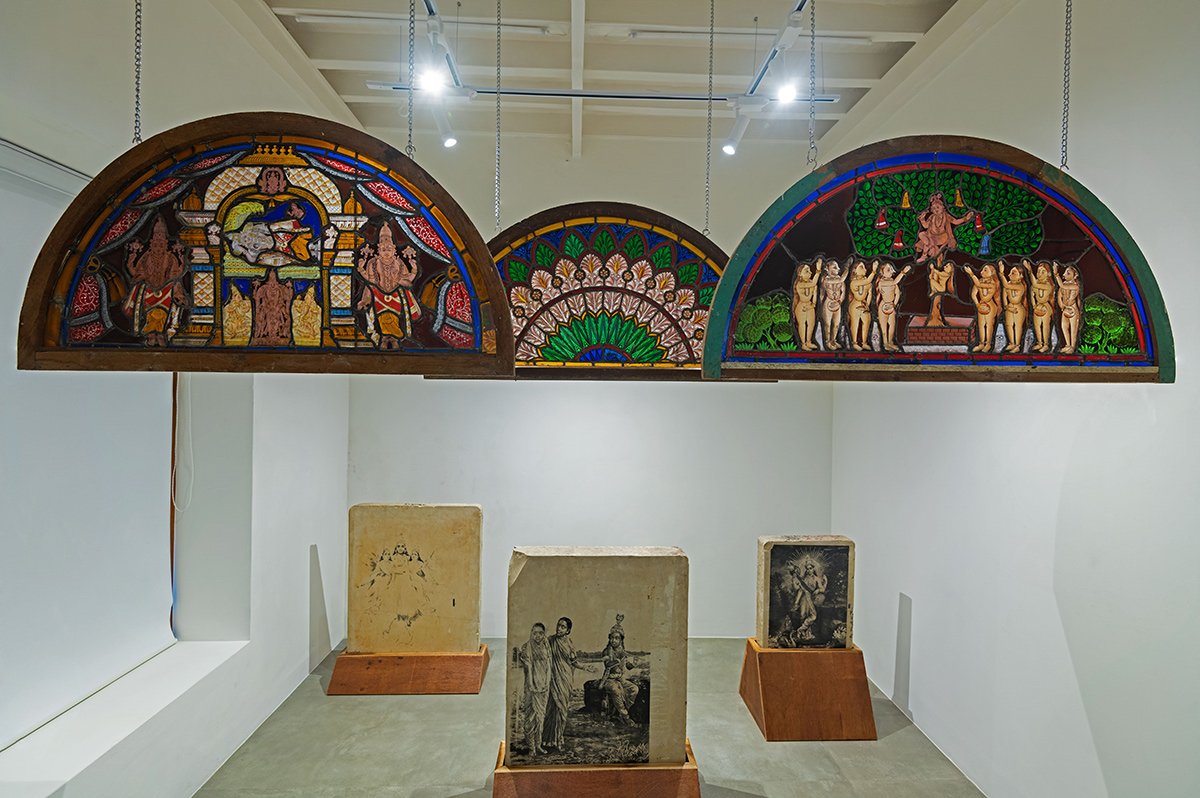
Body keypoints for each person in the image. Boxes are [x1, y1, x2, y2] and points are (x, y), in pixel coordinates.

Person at [356, 224, 422, 349]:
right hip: (379, 296)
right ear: (378, 250)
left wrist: (414, 269)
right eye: (383, 249)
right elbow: (371, 281)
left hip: (395, 295)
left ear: (394, 250)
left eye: (389, 249)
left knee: (394, 317)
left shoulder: (399, 263)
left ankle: (395, 338)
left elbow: (408, 281)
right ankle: (385, 338)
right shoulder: (373, 263)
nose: (386, 252)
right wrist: (361, 269)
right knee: (382, 317)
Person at [542, 617, 596, 752]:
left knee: (561, 709)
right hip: (552, 678)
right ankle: (547, 740)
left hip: (565, 678)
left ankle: (558, 739)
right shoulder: (550, 640)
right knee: (550, 708)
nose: (559, 628)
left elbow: (573, 662)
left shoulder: (569, 643)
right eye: (558, 625)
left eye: (563, 627)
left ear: (568, 630)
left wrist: (585, 667)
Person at [514, 622, 551, 755]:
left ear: (544, 634)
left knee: (540, 717)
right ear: (531, 633)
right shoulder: (527, 647)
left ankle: (538, 745)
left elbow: (549, 667)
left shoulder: (546, 646)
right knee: (530, 717)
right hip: (531, 687)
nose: (538, 636)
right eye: (535, 633)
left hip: (544, 687)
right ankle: (531, 747)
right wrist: (531, 686)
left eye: (540, 633)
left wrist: (547, 683)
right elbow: (529, 668)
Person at [596, 615, 640, 725]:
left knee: (634, 689)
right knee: (616, 690)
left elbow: (628, 666)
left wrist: (634, 664)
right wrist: (616, 661)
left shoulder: (622, 652)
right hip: (609, 679)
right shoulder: (607, 651)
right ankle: (626, 717)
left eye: (616, 638)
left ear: (621, 640)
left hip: (620, 679)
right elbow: (608, 665)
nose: (613, 640)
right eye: (612, 638)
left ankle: (620, 711)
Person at [914, 192, 974, 263]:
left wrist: (965, 218)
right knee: (921, 234)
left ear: (943, 208)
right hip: (931, 236)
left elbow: (955, 222)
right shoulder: (932, 217)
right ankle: (925, 254)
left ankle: (928, 250)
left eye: (938, 207)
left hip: (941, 238)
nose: (936, 210)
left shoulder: (946, 216)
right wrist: (922, 220)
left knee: (928, 242)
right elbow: (925, 226)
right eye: (934, 208)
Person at [963, 263, 1001, 353]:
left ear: (992, 273)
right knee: (981, 325)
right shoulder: (980, 281)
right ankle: (981, 343)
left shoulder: (993, 283)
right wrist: (977, 305)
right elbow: (973, 294)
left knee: (989, 325)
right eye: (983, 269)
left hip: (990, 306)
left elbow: (979, 285)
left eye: (985, 270)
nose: (982, 272)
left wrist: (972, 274)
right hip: (981, 306)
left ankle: (988, 344)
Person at [874, 260, 911, 352]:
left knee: (892, 325)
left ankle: (890, 342)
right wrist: (903, 272)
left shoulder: (892, 282)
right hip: (883, 306)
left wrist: (894, 304)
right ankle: (885, 343)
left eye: (891, 269)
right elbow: (894, 283)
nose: (891, 271)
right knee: (884, 326)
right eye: (888, 270)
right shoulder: (882, 282)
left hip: (891, 306)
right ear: (882, 273)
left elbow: (897, 293)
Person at [998, 259, 1029, 353]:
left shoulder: (1020, 286)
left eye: (1013, 273)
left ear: (1020, 276)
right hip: (1009, 308)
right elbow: (1004, 296)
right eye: (1010, 273)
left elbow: (1007, 286)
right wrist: (1007, 306)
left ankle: (1017, 344)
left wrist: (1001, 274)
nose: (1009, 275)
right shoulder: (1008, 284)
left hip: (1018, 308)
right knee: (1009, 325)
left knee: (1017, 326)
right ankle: (1011, 342)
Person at [791, 258, 822, 351]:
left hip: (810, 306)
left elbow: (814, 294)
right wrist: (818, 270)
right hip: (801, 306)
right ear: (800, 274)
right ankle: (803, 344)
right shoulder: (799, 284)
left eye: (810, 271)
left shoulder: (811, 283)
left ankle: (808, 341)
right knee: (802, 325)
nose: (810, 273)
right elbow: (813, 284)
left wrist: (813, 304)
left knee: (811, 324)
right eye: (806, 271)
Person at [792, 561, 828, 642]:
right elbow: (800, 591)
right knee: (803, 615)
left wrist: (818, 590)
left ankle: (800, 630)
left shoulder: (817, 579)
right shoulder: (804, 579)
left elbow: (822, 589)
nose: (809, 570)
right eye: (807, 569)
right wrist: (796, 602)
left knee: (813, 616)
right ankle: (805, 635)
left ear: (813, 569)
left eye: (810, 568)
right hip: (804, 599)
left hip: (811, 599)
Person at [847, 260, 878, 350]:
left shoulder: (868, 282)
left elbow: (869, 294)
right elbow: (868, 280)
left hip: (864, 304)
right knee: (855, 323)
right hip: (855, 304)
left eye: (864, 267)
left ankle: (864, 342)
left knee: (866, 322)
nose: (864, 269)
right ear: (855, 270)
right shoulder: (854, 282)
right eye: (861, 267)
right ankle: (854, 342)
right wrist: (873, 271)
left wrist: (867, 305)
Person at [1026, 260, 1056, 352]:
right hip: (1037, 307)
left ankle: (1046, 344)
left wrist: (1030, 271)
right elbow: (1032, 295)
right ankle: (1039, 343)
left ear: (1048, 274)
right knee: (1037, 326)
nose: (1040, 274)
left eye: (1043, 272)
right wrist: (1034, 305)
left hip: (1046, 307)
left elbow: (1035, 284)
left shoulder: (1048, 285)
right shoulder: (1035, 285)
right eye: (1038, 271)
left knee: (1045, 326)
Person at [819, 260, 848, 350]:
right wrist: (847, 268)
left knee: (836, 324)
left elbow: (843, 292)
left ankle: (833, 340)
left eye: (837, 267)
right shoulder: (826, 279)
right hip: (828, 302)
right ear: (828, 269)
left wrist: (840, 301)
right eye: (835, 267)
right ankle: (827, 341)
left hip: (837, 304)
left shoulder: (840, 280)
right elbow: (822, 293)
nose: (838, 269)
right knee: (827, 324)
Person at [1054, 263, 1082, 354]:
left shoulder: (1075, 286)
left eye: (1068, 273)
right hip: (1065, 309)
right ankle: (1067, 345)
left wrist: (1056, 274)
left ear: (1075, 276)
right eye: (1065, 273)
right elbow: (1059, 296)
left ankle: (1072, 347)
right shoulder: (1064, 284)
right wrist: (1061, 305)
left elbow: (1062, 286)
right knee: (1064, 326)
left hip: (1073, 309)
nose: (1065, 275)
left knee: (1073, 329)